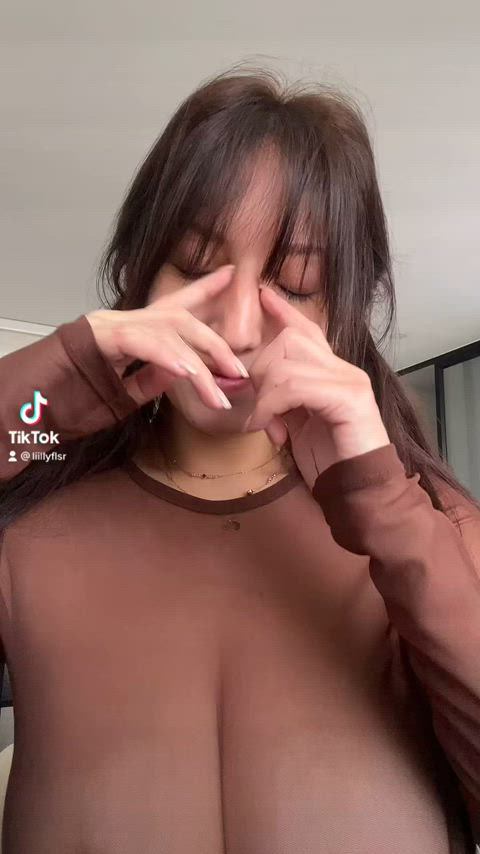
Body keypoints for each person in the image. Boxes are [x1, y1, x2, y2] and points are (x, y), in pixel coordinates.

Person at [0, 68, 479, 853]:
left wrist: (389, 511)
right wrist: (56, 382)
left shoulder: (435, 531)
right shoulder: (32, 521)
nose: (238, 327)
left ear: (345, 308)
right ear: (139, 270)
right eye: (195, 264)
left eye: (296, 282)